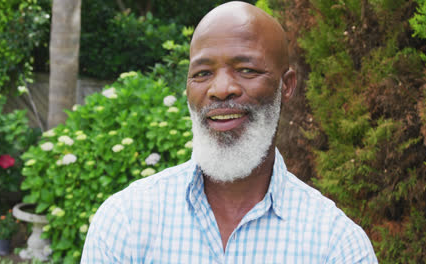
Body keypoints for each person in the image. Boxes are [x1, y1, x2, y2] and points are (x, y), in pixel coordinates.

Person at [81, 1, 378, 263]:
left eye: (246, 70)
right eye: (202, 74)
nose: (221, 89)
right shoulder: (126, 222)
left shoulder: (336, 246)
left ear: (286, 86)